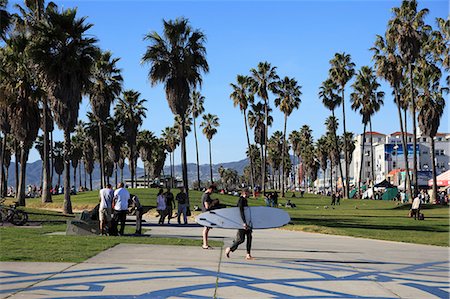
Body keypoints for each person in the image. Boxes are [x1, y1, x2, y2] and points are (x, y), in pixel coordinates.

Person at [225, 189, 254, 260]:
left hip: (247, 222)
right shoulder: (241, 200)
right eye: (248, 193)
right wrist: (244, 222)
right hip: (242, 223)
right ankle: (229, 248)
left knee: (249, 237)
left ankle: (248, 254)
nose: (249, 194)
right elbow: (241, 212)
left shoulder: (244, 200)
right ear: (244, 193)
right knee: (241, 239)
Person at [201, 185, 215, 249]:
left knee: (207, 229)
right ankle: (205, 244)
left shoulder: (205, 195)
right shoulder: (206, 196)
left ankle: (205, 243)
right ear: (210, 189)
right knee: (206, 228)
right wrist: (213, 204)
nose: (213, 192)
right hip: (206, 213)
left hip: (206, 213)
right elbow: (207, 206)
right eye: (212, 190)